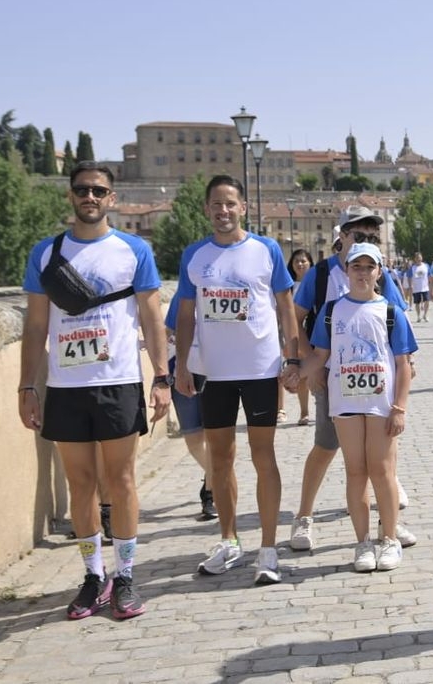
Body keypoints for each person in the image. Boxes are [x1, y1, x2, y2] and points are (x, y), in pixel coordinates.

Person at [18, 161, 171, 620]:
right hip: (66, 384)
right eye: (82, 190)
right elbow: (37, 325)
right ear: (71, 196)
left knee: (121, 481)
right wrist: (27, 386)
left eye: (98, 191)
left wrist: (160, 376)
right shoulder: (45, 254)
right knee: (80, 483)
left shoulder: (133, 250)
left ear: (112, 199)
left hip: (118, 380)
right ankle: (93, 576)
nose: (90, 197)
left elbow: (151, 317)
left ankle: (124, 576)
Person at [174, 174, 302, 586]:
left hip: (260, 368)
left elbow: (286, 308)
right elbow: (186, 313)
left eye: (231, 203)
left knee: (263, 456)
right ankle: (229, 541)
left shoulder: (265, 250)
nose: (223, 210)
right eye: (216, 204)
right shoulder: (195, 255)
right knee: (221, 458)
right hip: (216, 372)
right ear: (206, 209)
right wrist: (181, 366)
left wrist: (293, 357)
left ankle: (267, 549)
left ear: (243, 208)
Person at [288, 207, 416, 552]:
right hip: (332, 376)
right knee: (330, 447)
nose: (364, 241)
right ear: (342, 236)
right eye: (358, 235)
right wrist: (304, 367)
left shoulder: (382, 276)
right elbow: (295, 320)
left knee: (382, 459)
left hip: (376, 384)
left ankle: (387, 527)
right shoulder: (318, 275)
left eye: (372, 237)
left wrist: (405, 375)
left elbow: (395, 323)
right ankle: (304, 516)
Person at [165, 291, 217, 521]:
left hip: (218, 373)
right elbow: (168, 332)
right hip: (183, 372)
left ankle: (211, 491)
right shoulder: (182, 297)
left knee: (216, 439)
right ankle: (217, 474)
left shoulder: (221, 290)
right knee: (194, 439)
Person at [287, 250, 315, 425]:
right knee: (302, 376)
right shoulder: (288, 286)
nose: (300, 264)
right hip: (295, 336)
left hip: (313, 334)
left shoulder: (317, 283)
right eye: (296, 261)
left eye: (303, 261)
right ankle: (304, 412)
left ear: (310, 263)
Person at [409, 252, 431, 323]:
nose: (419, 259)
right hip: (416, 288)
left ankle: (425, 315)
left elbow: (429, 275)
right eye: (417, 258)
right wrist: (410, 286)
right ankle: (418, 316)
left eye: (420, 257)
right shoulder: (412, 268)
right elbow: (409, 277)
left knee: (427, 301)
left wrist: (430, 285)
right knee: (417, 303)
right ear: (415, 259)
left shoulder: (426, 266)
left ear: (422, 258)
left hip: (425, 287)